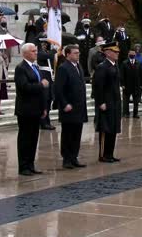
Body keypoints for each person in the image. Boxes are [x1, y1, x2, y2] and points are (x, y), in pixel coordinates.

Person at [15, 43, 49, 176]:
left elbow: (41, 91)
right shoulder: (21, 68)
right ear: (25, 53)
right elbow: (24, 87)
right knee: (25, 138)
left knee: (34, 138)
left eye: (36, 51)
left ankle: (31, 164)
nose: (36, 53)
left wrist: (44, 107)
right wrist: (41, 85)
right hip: (25, 109)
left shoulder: (35, 67)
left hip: (36, 108)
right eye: (33, 51)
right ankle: (23, 166)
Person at [55, 45, 88, 169]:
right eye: (75, 53)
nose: (78, 55)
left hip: (79, 107)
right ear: (67, 54)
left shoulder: (78, 66)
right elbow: (59, 89)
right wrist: (64, 104)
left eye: (78, 53)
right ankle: (67, 159)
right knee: (68, 134)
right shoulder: (63, 68)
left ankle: (74, 157)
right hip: (69, 107)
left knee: (77, 133)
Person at [94, 41, 122, 163]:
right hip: (106, 102)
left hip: (115, 102)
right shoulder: (102, 66)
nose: (117, 53)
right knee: (106, 129)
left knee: (113, 128)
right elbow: (98, 86)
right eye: (115, 51)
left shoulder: (115, 65)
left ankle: (110, 154)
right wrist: (101, 102)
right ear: (108, 52)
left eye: (118, 51)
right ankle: (103, 155)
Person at [37, 41, 56, 130]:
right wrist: (54, 49)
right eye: (43, 44)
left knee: (49, 100)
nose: (44, 46)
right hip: (44, 76)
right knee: (45, 99)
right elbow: (48, 56)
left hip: (49, 77)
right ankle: (43, 122)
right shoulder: (40, 53)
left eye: (45, 44)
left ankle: (47, 121)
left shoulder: (47, 52)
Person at [121, 50, 142, 118]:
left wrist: (141, 84)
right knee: (126, 101)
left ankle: (135, 114)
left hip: (136, 85)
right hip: (127, 85)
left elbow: (141, 74)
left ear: (135, 55)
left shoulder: (139, 63)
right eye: (131, 54)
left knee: (136, 101)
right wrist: (122, 84)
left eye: (133, 54)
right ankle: (126, 113)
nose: (132, 55)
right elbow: (122, 75)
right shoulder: (124, 63)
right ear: (128, 55)